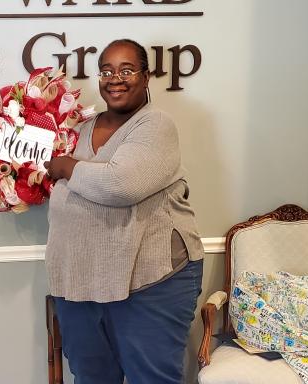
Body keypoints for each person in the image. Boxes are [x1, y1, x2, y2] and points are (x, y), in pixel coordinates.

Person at [43, 39, 204, 384]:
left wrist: (67, 168)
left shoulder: (156, 125)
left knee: (153, 379)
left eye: (127, 70)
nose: (115, 78)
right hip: (81, 284)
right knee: (91, 378)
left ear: (146, 77)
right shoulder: (81, 128)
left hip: (151, 282)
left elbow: (121, 185)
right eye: (106, 71)